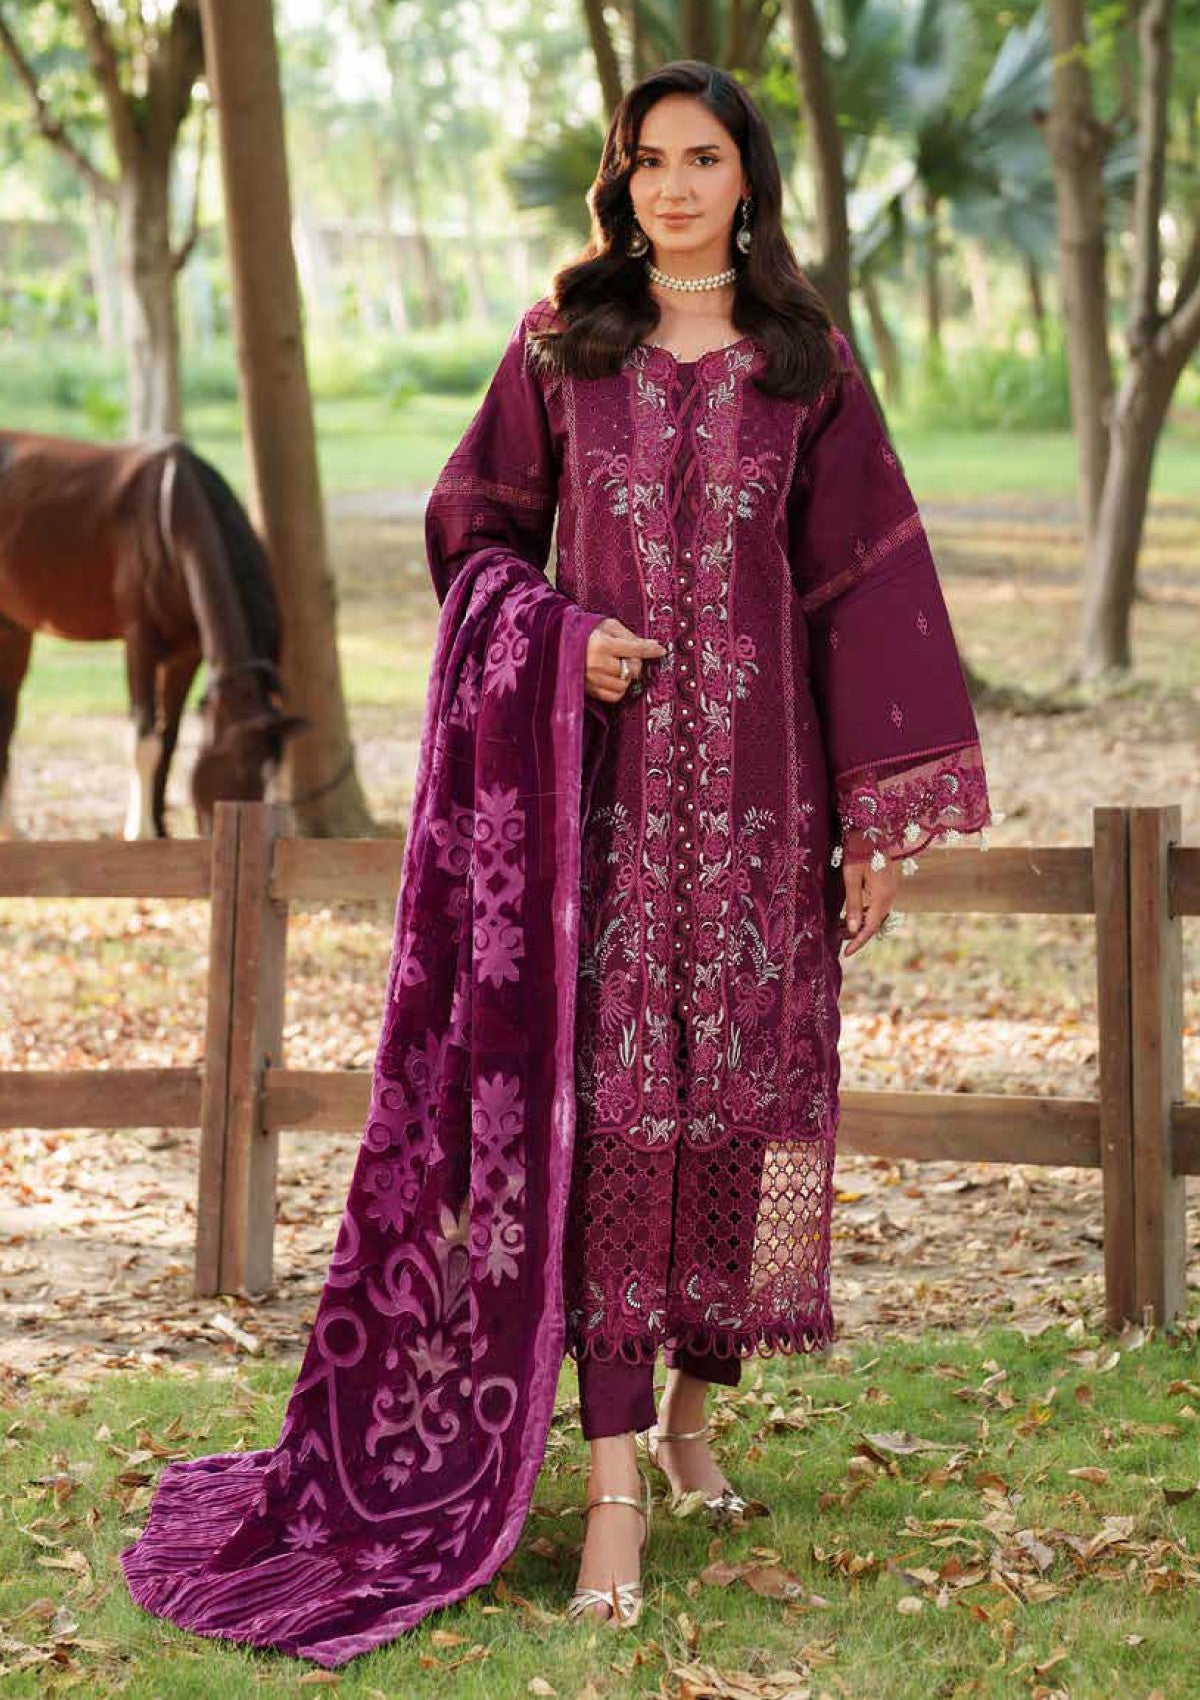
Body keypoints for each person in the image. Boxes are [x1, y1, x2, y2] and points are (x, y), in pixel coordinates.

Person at [422, 60, 996, 1626]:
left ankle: (691, 1419)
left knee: (735, 1113)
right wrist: (563, 635)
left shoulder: (805, 364)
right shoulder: (564, 348)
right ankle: (611, 1482)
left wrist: (877, 819)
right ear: (620, 181)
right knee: (613, 1118)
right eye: (648, 160)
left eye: (702, 158)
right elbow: (474, 534)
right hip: (599, 813)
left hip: (764, 810)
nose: (673, 186)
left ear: (748, 178)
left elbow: (866, 589)